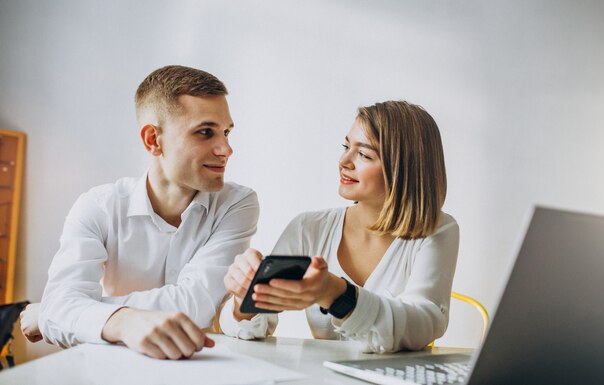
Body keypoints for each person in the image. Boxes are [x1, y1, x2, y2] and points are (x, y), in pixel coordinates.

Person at [19, 65, 259, 360]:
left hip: (202, 369)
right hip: (111, 370)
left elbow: (196, 307)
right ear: (152, 140)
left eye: (226, 132)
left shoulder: (237, 204)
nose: (226, 149)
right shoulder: (98, 206)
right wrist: (121, 321)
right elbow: (62, 305)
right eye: (205, 132)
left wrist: (66, 312)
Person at [220, 101, 458, 353]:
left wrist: (338, 294)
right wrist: (243, 297)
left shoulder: (438, 230)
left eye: (364, 154)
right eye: (346, 147)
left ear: (405, 169)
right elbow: (249, 327)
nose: (344, 161)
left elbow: (424, 323)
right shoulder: (308, 228)